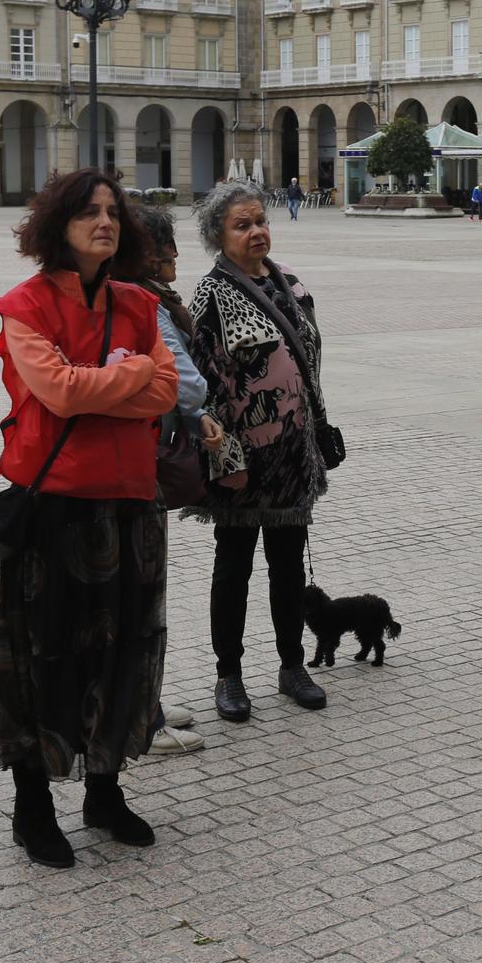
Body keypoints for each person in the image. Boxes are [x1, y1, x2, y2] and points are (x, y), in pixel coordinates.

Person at [0, 168, 179, 868]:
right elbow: (59, 393)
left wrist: (119, 380)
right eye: (89, 211)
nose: (105, 222)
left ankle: (104, 786)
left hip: (129, 500)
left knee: (123, 646)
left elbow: (166, 390)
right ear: (56, 223)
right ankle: (32, 804)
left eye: (113, 212)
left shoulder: (138, 303)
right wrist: (130, 377)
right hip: (55, 505)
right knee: (45, 655)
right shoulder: (26, 304)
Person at [182, 179, 333, 722]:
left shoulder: (291, 283)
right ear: (218, 235)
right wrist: (224, 455)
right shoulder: (209, 296)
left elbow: (310, 361)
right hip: (240, 459)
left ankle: (293, 666)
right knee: (234, 566)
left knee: (288, 565)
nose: (257, 232)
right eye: (242, 225)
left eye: (260, 221)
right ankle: (229, 675)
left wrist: (316, 427)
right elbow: (199, 382)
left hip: (293, 455)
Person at [113, 204, 227, 755]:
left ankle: (145, 703)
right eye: (165, 247)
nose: (176, 257)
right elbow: (184, 382)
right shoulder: (147, 305)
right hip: (138, 467)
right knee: (137, 594)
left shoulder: (134, 297)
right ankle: (140, 718)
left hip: (138, 459)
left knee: (138, 592)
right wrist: (197, 402)